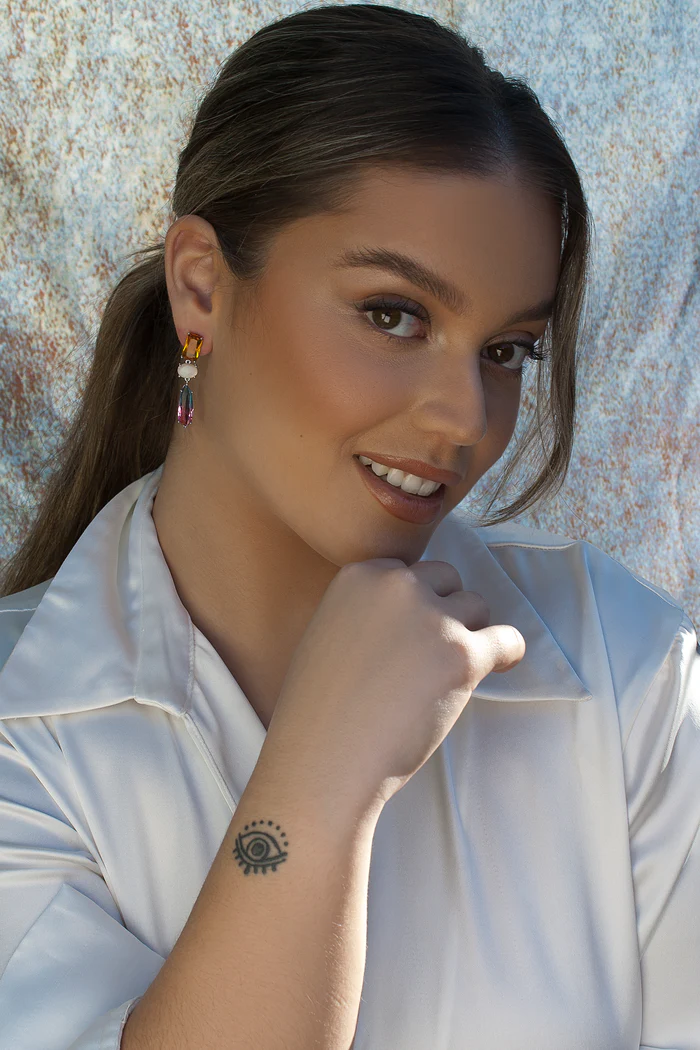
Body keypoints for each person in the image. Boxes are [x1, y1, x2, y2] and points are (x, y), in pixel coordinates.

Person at [0, 3, 698, 1048]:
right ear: (201, 290)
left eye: (507, 351)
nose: (465, 418)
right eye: (393, 315)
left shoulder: (630, 672)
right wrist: (322, 778)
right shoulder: (20, 730)